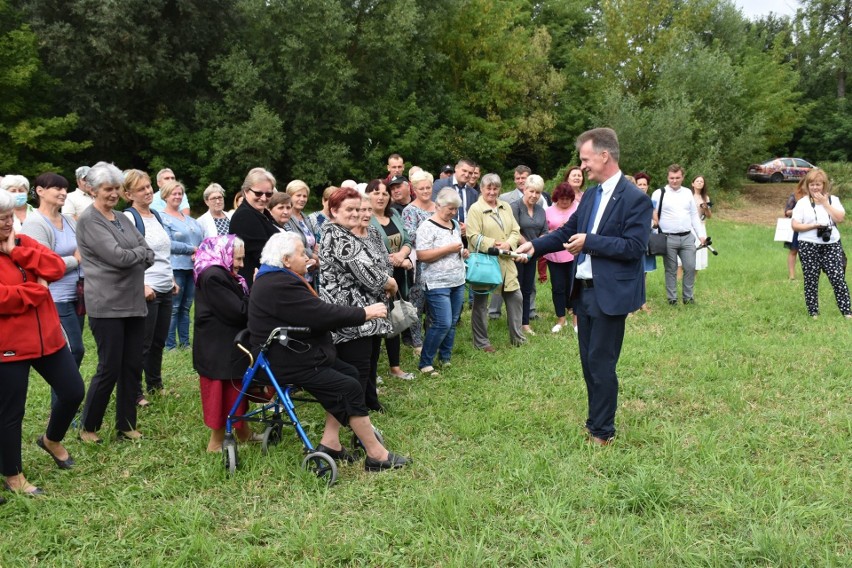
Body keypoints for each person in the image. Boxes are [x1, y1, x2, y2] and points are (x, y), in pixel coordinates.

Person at [517, 128, 652, 445]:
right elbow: (566, 231)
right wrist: (534, 247)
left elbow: (634, 247)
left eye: (585, 159)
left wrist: (590, 243)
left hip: (611, 294)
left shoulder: (637, 199)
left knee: (602, 364)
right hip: (584, 292)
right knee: (588, 362)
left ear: (604, 156)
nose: (583, 166)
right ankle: (595, 421)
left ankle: (603, 432)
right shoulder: (590, 196)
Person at [250, 232, 409, 472]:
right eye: (302, 253)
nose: (308, 257)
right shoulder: (279, 284)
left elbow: (316, 312)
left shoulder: (276, 278)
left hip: (298, 353)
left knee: (351, 373)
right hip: (289, 361)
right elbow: (320, 314)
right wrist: (364, 313)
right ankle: (376, 455)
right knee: (349, 386)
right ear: (285, 260)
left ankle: (331, 443)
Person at [0, 189, 85, 497]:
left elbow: (55, 267)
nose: (8, 224)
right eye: (0, 220)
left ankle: (51, 439)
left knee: (74, 390)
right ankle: (13, 475)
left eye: (9, 217)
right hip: (8, 346)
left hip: (48, 337)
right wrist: (37, 291)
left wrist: (18, 253)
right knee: (11, 413)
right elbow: (3, 299)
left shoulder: (23, 243)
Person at [77, 162, 154, 443]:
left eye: (116, 188)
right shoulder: (89, 220)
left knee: (132, 365)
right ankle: (88, 426)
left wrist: (134, 254)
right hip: (106, 305)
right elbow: (117, 257)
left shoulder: (121, 217)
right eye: (107, 189)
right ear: (94, 190)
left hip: (133, 302)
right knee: (109, 367)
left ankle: (125, 424)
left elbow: (148, 251)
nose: (112, 194)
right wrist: (136, 254)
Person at [320, 187, 397, 410]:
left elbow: (378, 263)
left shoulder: (347, 232)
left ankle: (370, 402)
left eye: (358, 209)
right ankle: (357, 413)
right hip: (351, 315)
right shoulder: (336, 236)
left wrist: (385, 278)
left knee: (371, 359)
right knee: (358, 366)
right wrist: (390, 282)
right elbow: (369, 274)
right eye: (350, 209)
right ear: (333, 210)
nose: (355, 214)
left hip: (369, 311)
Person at [193, 235, 254, 451]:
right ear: (223, 254)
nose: (241, 264)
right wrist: (255, 290)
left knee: (236, 390)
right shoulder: (213, 276)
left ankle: (243, 432)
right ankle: (216, 442)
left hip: (226, 345)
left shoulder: (222, 273)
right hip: (217, 348)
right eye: (237, 259)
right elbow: (238, 312)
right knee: (221, 395)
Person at [122, 170, 177, 406]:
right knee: (141, 344)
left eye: (148, 187)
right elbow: (127, 256)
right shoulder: (129, 217)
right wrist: (141, 284)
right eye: (141, 188)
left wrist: (172, 278)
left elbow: (164, 251)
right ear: (128, 194)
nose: (147, 191)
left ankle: (155, 384)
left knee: (158, 341)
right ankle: (135, 393)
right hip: (146, 288)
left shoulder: (156, 214)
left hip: (165, 285)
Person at [20, 173, 86, 368]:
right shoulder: (35, 223)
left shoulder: (69, 220)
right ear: (40, 191)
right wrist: (75, 259)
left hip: (78, 294)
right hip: (55, 297)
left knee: (72, 351)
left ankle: (69, 395)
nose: (63, 193)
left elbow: (85, 249)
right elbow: (44, 266)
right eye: (57, 188)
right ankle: (67, 396)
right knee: (74, 350)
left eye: (65, 188)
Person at [466, 173, 524, 351]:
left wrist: (509, 243)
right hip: (486, 263)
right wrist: (494, 244)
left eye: (495, 188)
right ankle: (482, 343)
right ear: (482, 189)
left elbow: (516, 230)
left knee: (516, 297)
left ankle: (518, 338)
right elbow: (473, 236)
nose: (492, 192)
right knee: (481, 304)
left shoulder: (505, 206)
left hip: (507, 261)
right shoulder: (475, 209)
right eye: (488, 188)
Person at [415, 188, 469, 374]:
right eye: (450, 209)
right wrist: (448, 249)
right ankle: (425, 363)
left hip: (458, 280)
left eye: (456, 209)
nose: (453, 213)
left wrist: (462, 252)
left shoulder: (454, 224)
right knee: (442, 322)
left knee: (452, 322)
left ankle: (445, 357)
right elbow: (422, 255)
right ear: (438, 206)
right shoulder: (427, 227)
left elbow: (456, 250)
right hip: (437, 283)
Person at [365, 180, 414, 380]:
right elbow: (368, 250)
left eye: (385, 193)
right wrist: (394, 260)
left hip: (399, 276)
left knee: (394, 320)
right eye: (376, 192)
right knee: (377, 324)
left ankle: (395, 367)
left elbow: (407, 240)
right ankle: (372, 371)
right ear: (368, 195)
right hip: (378, 278)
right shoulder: (365, 219)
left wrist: (402, 254)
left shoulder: (394, 214)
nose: (381, 197)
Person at [790, 169, 851, 319]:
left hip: (831, 243)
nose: (815, 187)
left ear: (824, 185)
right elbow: (795, 225)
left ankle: (847, 312)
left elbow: (840, 218)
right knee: (811, 278)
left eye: (818, 184)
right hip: (808, 244)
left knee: (837, 276)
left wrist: (825, 204)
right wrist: (813, 226)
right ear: (807, 186)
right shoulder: (802, 203)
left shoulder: (833, 200)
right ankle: (813, 312)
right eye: (812, 184)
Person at [651, 165, 706, 305]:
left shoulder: (687, 192)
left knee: (690, 267)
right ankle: (672, 299)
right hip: (668, 237)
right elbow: (652, 214)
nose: (674, 181)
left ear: (683, 177)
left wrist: (701, 235)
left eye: (677, 178)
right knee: (671, 269)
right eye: (671, 178)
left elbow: (694, 215)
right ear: (667, 177)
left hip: (687, 236)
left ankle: (688, 297)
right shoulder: (659, 193)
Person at [160, 180, 204, 350]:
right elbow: (167, 243)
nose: (177, 196)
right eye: (174, 193)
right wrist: (191, 249)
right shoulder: (162, 218)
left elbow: (201, 241)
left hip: (192, 268)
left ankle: (185, 343)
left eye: (180, 193)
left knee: (186, 307)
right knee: (174, 307)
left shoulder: (191, 220)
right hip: (175, 267)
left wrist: (198, 252)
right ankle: (169, 345)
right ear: (165, 196)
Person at [402, 170, 437, 351]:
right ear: (414, 189)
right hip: (419, 263)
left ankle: (432, 339)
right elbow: (409, 236)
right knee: (417, 302)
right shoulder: (410, 210)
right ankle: (417, 342)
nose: (425, 191)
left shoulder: (438, 206)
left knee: (435, 302)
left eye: (428, 187)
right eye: (421, 188)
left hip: (439, 262)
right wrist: (433, 235)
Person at [510, 174, 548, 335]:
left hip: (533, 255)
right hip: (517, 254)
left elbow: (545, 231)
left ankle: (525, 323)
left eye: (538, 192)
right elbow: (514, 229)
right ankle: (515, 322)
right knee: (515, 289)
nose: (534, 195)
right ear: (524, 189)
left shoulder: (540, 209)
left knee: (527, 289)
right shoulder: (515, 206)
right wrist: (527, 245)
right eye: (531, 191)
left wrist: (536, 246)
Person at [229, 168, 280, 287]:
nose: (263, 198)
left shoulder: (263, 214)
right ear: (246, 191)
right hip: (255, 282)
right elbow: (262, 254)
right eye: (258, 193)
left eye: (268, 194)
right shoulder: (244, 216)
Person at [544, 181, 579, 333]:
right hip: (554, 255)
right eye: (561, 198)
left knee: (575, 287)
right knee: (558, 287)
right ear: (556, 197)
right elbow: (544, 233)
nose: (564, 201)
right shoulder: (548, 211)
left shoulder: (578, 209)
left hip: (574, 254)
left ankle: (576, 321)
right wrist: (558, 231)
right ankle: (561, 319)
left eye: (567, 198)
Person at [284, 180, 320, 286]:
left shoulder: (305, 217)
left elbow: (314, 244)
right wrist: (313, 256)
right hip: (296, 274)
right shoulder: (286, 218)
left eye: (305, 196)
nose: (302, 199)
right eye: (298, 195)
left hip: (311, 272)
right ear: (289, 197)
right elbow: (293, 244)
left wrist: (315, 256)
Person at [633, 172, 656, 313]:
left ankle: (643, 302)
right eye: (639, 184)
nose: (642, 187)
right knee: (634, 272)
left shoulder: (650, 201)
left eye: (644, 185)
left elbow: (656, 221)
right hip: (635, 239)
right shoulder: (632, 200)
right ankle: (633, 303)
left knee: (644, 272)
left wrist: (652, 223)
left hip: (647, 240)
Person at [783, 179, 808, 280]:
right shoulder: (794, 196)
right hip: (796, 227)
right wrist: (796, 211)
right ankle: (792, 275)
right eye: (805, 185)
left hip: (809, 228)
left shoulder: (816, 197)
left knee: (807, 252)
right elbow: (786, 212)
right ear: (801, 185)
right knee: (793, 251)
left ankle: (808, 275)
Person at [691, 175, 712, 271]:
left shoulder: (706, 198)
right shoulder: (689, 196)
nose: (699, 183)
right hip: (689, 226)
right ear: (693, 183)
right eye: (697, 181)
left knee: (699, 250)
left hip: (701, 225)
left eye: (701, 181)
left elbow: (709, 216)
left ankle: (694, 279)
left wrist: (706, 208)